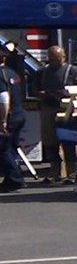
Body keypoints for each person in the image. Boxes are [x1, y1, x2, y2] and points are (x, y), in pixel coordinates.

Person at [39, 45, 77, 183]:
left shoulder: (73, 70)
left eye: (59, 58)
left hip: (67, 110)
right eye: (53, 59)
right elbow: (35, 87)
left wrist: (65, 93)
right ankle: (55, 173)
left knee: (69, 141)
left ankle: (74, 173)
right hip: (48, 109)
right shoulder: (42, 72)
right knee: (50, 143)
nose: (56, 61)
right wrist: (43, 94)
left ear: (64, 57)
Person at [0, 42, 27, 192]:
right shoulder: (12, 73)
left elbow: (4, 98)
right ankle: (11, 179)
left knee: (3, 149)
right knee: (11, 149)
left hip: (8, 117)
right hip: (19, 114)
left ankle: (15, 179)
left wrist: (3, 120)